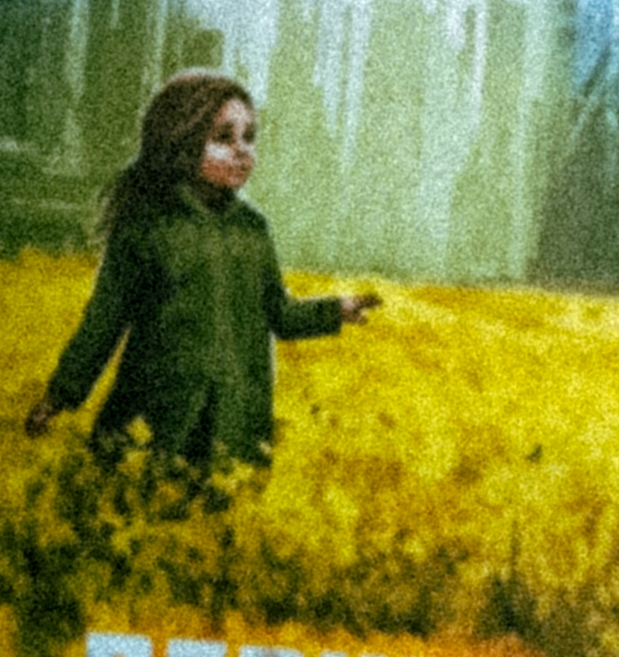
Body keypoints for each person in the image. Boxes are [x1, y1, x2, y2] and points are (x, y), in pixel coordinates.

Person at [26, 69, 378, 469]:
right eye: (223, 138)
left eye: (249, 137)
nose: (242, 151)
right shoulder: (146, 226)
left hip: (235, 425)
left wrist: (336, 310)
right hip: (155, 420)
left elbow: (278, 313)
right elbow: (104, 321)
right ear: (181, 141)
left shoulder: (252, 229)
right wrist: (60, 396)